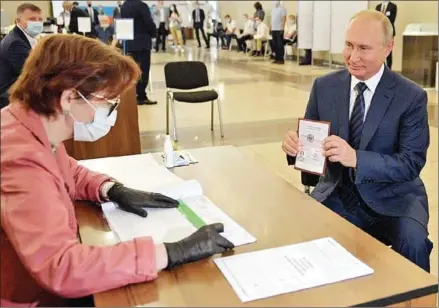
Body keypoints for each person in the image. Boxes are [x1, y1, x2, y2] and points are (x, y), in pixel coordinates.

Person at [1, 34, 234, 307]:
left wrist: (112, 189)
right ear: (69, 97)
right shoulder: (19, 158)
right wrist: (171, 252)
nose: (109, 113)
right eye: (107, 103)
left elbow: (67, 172)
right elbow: (62, 267)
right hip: (33, 298)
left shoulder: (32, 125)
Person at [282, 10, 433, 273]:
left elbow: (411, 164)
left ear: (389, 47)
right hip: (338, 193)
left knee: (414, 243)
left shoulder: (411, 97)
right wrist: (296, 150)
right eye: (349, 45)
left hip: (395, 198)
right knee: (302, 236)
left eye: (364, 48)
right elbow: (312, 156)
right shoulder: (324, 87)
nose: (353, 57)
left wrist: (357, 158)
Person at [0, 3, 42, 110]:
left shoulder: (25, 37)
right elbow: (34, 72)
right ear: (18, 21)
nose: (37, 22)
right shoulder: (15, 43)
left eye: (40, 19)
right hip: (10, 96)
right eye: (32, 19)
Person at [122, 0, 157, 105]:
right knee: (143, 70)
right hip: (142, 43)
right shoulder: (142, 5)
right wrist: (154, 33)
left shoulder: (124, 6)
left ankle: (132, 95)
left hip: (129, 43)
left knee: (131, 71)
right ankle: (141, 96)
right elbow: (148, 22)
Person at [375, 1, 397, 69]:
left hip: (388, 31)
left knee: (388, 51)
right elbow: (375, 19)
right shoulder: (378, 6)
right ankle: (378, 67)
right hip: (379, 31)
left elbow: (392, 19)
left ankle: (389, 69)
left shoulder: (393, 6)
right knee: (378, 49)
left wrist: (383, 17)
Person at [270, 0, 287, 64]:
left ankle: (281, 59)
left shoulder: (282, 8)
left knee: (280, 45)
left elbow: (284, 19)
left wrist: (282, 29)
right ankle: (276, 58)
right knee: (274, 44)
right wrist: (270, 28)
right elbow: (272, 19)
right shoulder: (273, 9)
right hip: (273, 29)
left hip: (279, 29)